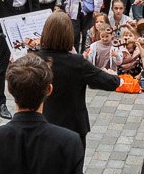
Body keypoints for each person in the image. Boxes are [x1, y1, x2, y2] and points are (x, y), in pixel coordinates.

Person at [35, 11, 120, 148]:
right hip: (73, 127)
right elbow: (110, 82)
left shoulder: (34, 59)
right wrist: (114, 75)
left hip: (43, 123)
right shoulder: (77, 62)